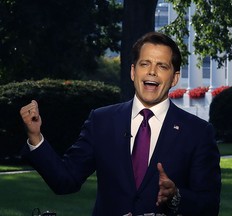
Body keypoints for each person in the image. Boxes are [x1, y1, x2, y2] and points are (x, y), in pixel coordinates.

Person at [20, 32, 221, 216]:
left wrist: (176, 197)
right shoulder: (102, 121)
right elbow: (65, 181)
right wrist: (35, 136)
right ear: (133, 72)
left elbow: (209, 206)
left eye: (162, 66)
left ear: (174, 78)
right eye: (145, 64)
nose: (152, 71)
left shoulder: (198, 133)